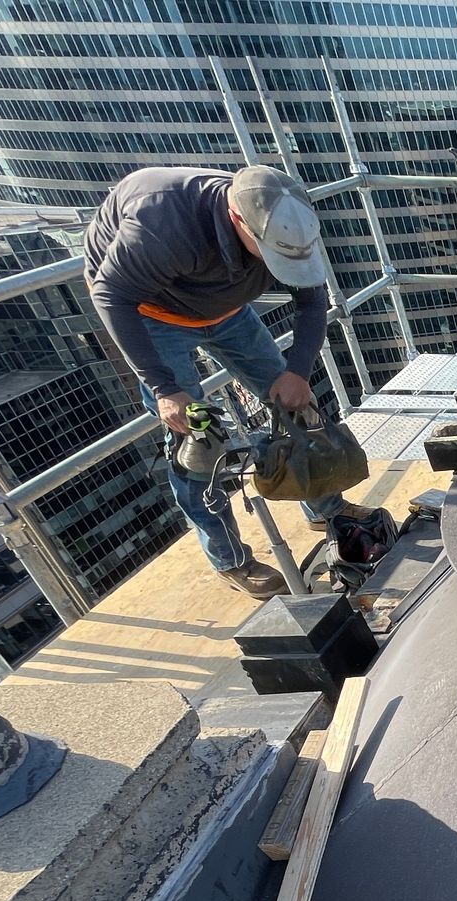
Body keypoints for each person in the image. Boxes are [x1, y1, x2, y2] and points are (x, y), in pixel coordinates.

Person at [84, 165, 383, 597]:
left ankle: (325, 507)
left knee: (297, 409)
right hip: (152, 317)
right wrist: (165, 389)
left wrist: (296, 369)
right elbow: (112, 296)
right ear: (239, 221)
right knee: (197, 444)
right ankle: (231, 560)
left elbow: (312, 300)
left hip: (229, 311)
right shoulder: (164, 222)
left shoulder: (290, 217)